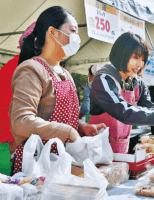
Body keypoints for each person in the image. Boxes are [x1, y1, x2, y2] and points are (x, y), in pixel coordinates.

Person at [9, 6, 106, 175]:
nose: (77, 38)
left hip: (61, 164)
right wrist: (66, 131)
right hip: (36, 169)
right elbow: (21, 121)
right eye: (73, 31)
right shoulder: (31, 70)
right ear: (52, 32)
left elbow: (65, 117)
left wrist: (81, 126)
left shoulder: (65, 73)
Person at [0, 22, 36, 155]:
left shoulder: (37, 68)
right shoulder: (14, 67)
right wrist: (12, 139)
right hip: (19, 139)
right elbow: (3, 105)